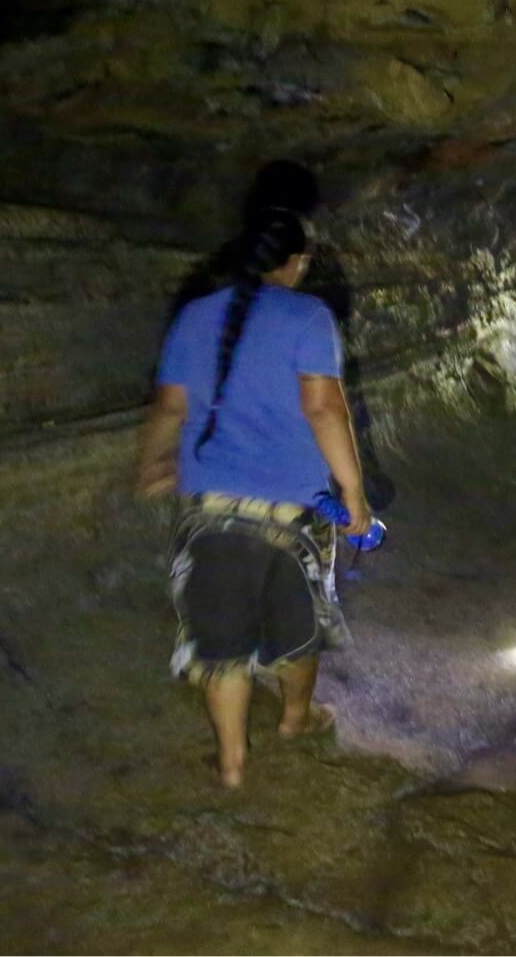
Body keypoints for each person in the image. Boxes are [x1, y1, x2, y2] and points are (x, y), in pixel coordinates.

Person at [134, 206, 373, 789]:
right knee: (297, 620)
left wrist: (149, 465)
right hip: (296, 507)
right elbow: (322, 408)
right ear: (297, 263)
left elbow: (169, 407)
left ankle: (232, 763)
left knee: (221, 638)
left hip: (210, 506)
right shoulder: (309, 317)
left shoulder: (193, 317)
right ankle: (295, 719)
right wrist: (355, 494)